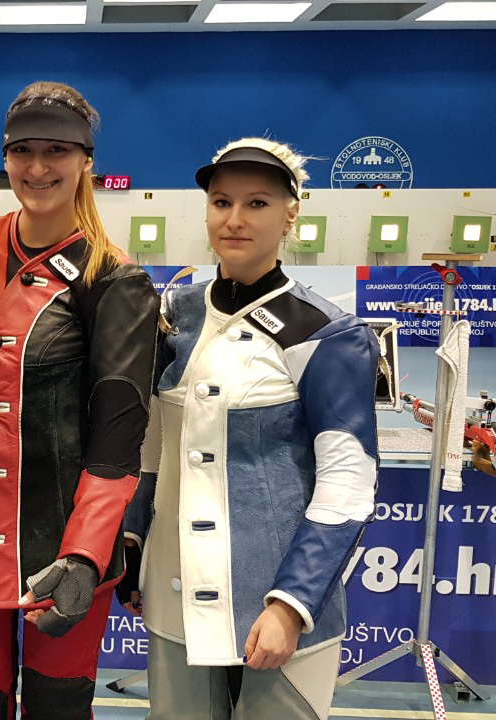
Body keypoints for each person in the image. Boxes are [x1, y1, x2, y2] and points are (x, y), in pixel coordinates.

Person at [0, 81, 159, 719]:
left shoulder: (116, 280)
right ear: (4, 158)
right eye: (22, 150)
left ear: (86, 162)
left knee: (58, 707)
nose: (38, 166)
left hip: (63, 547)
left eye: (57, 150)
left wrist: (86, 554)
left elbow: (117, 441)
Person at [119, 138, 379, 720]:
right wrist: (132, 538)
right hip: (175, 590)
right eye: (221, 202)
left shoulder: (328, 332)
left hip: (273, 603)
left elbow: (348, 483)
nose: (234, 219)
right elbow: (153, 446)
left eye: (257, 203)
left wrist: (292, 604)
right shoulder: (174, 314)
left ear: (291, 214)